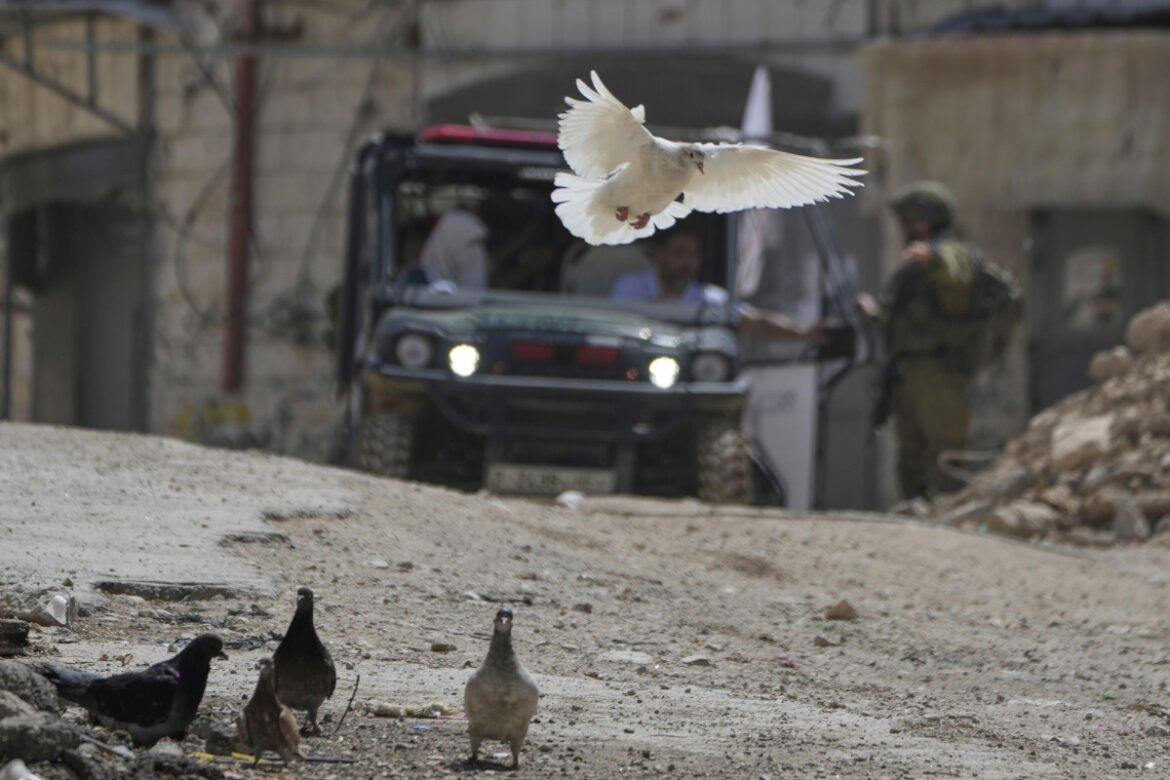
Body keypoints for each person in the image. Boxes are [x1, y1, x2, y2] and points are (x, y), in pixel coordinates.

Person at [857, 180, 982, 500]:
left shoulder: (951, 252)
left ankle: (951, 530)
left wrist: (933, 259)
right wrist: (874, 314)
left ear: (921, 223)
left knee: (945, 458)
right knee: (910, 460)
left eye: (906, 223)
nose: (902, 230)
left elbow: (956, 272)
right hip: (909, 372)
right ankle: (918, 522)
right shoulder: (913, 268)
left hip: (939, 373)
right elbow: (906, 319)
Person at [610, 227, 827, 342]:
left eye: (694, 255)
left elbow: (753, 321)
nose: (688, 262)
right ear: (660, 255)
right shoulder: (629, 288)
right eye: (679, 253)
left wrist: (804, 333)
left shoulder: (709, 299)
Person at [418, 209, 489, 290]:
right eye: (471, 244)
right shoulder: (417, 285)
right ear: (449, 241)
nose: (477, 251)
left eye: (479, 244)